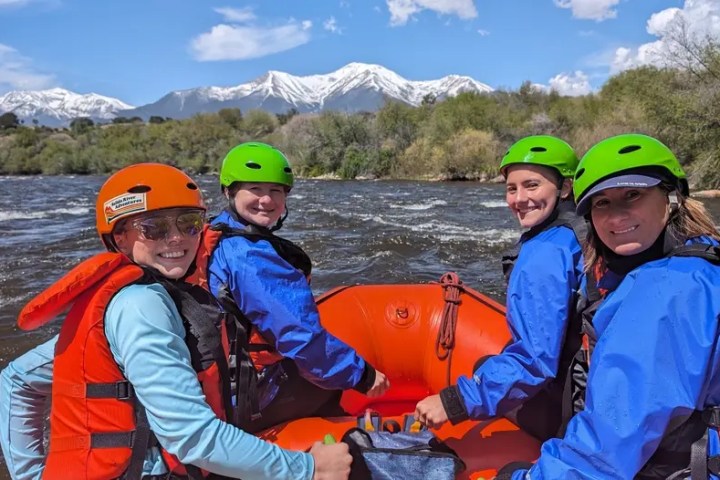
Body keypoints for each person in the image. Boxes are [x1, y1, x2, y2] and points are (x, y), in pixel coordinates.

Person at [0, 163, 352, 480]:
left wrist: (29, 474)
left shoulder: (134, 300)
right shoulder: (140, 307)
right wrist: (308, 469)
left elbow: (16, 379)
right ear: (119, 237)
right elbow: (191, 436)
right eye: (153, 228)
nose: (176, 238)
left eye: (189, 223)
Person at [502, 133, 720, 479]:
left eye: (632, 194)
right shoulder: (700, 259)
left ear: (672, 196)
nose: (616, 215)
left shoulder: (667, 292)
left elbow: (601, 454)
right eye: (601, 203)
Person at [205, 142, 390, 432]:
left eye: (275, 191)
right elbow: (300, 336)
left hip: (216, 384)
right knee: (324, 386)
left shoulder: (215, 233)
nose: (266, 200)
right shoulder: (252, 258)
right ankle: (342, 448)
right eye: (255, 189)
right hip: (242, 399)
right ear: (229, 192)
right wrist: (363, 375)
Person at [414, 135, 585, 442]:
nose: (519, 199)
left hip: (572, 410)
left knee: (483, 364)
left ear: (566, 188)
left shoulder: (545, 254)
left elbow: (535, 360)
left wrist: (453, 402)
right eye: (511, 188)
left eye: (532, 185)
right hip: (592, 387)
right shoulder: (589, 232)